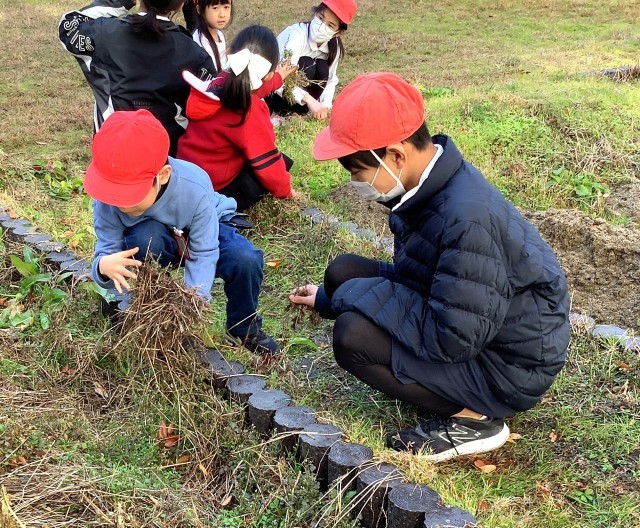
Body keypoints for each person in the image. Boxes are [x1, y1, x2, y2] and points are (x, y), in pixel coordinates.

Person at [289, 72, 570, 461]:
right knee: (342, 272)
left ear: (396, 155)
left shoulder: (466, 219)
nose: (355, 182)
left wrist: (347, 300)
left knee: (352, 335)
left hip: (506, 364)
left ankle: (476, 419)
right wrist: (329, 296)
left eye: (356, 170)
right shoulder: (425, 186)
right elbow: (427, 279)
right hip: (473, 321)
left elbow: (451, 339)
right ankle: (341, 295)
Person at [87, 109, 279, 355]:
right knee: (143, 239)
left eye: (130, 196)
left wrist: (191, 304)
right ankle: (147, 310)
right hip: (154, 238)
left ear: (162, 175)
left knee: (245, 260)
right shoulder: (107, 199)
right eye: (115, 195)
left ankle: (243, 328)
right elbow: (107, 250)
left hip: (203, 229)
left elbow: (203, 251)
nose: (121, 204)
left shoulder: (195, 186)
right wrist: (103, 266)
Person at [58, 0, 217, 156]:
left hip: (112, 157)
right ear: (181, 4)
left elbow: (69, 27)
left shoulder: (105, 35)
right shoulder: (195, 54)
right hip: (167, 162)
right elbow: (212, 98)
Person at [177, 25, 298, 212]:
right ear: (268, 74)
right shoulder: (250, 111)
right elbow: (267, 164)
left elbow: (247, 87)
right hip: (212, 190)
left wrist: (277, 80)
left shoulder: (219, 82)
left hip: (185, 175)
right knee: (279, 164)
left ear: (230, 53)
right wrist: (286, 191)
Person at [265, 0, 357, 120]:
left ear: (337, 33)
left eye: (330, 25)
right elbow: (279, 79)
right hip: (271, 91)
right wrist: (309, 100)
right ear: (315, 14)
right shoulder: (297, 35)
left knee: (322, 68)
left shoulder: (334, 47)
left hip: (301, 100)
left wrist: (325, 106)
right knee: (307, 64)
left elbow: (330, 80)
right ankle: (279, 113)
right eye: (320, 18)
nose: (321, 27)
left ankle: (299, 113)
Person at [191, 0, 233, 72]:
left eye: (226, 7)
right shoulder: (200, 43)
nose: (222, 14)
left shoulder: (219, 34)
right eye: (215, 8)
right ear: (200, 10)